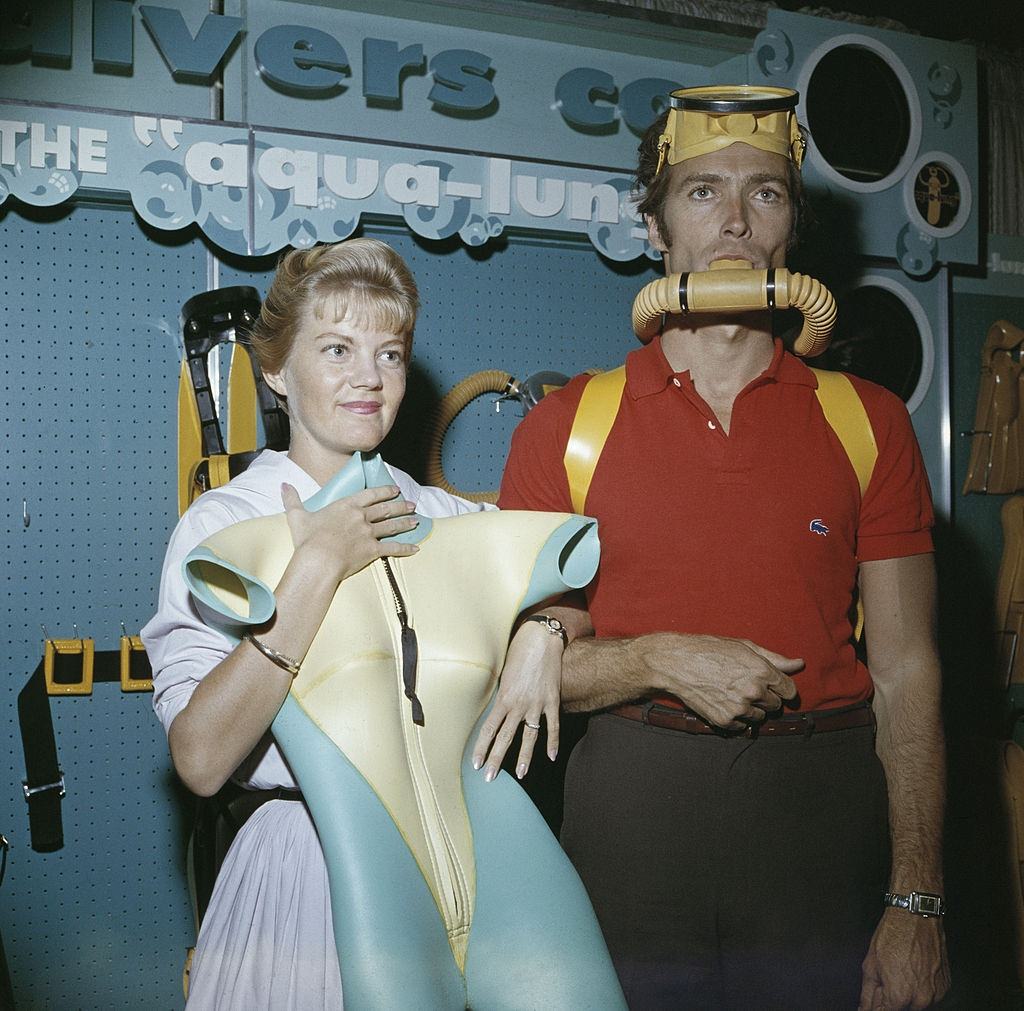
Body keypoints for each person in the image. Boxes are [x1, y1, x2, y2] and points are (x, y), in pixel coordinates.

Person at [489, 86, 950, 1010]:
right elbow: (535, 678)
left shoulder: (870, 421)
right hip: (631, 807)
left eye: (766, 193)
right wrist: (660, 659)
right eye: (702, 192)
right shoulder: (567, 427)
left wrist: (919, 900)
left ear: (794, 224)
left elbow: (907, 668)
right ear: (654, 226)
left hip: (820, 810)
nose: (735, 219)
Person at [142, 238, 622, 1009]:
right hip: (303, 871)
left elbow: (565, 585)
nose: (369, 376)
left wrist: (545, 633)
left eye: (389, 353)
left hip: (458, 869)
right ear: (275, 371)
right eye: (337, 348)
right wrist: (314, 569)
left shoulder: (440, 512)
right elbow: (199, 757)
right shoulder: (225, 525)